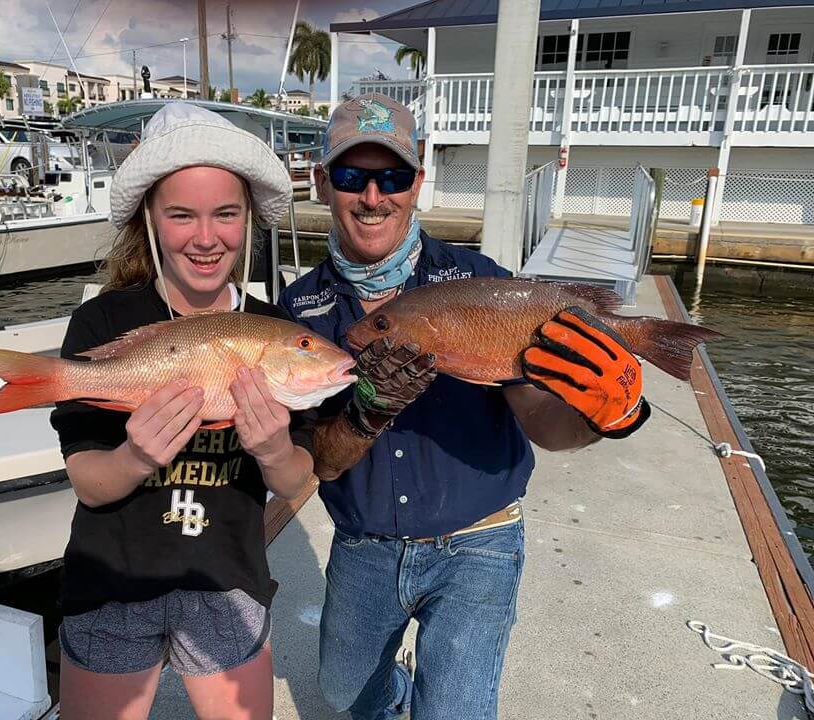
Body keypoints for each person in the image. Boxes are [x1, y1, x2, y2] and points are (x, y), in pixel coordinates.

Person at [279, 93, 650, 720]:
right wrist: (366, 412)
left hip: (480, 541)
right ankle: (392, 686)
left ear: (417, 183)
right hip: (364, 542)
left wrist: (606, 417)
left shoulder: (478, 280)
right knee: (346, 698)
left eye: (393, 176)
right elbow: (325, 464)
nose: (374, 196)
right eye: (352, 176)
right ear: (322, 183)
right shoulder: (301, 311)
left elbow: (544, 424)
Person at [51, 103, 314, 720]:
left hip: (226, 580)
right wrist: (136, 455)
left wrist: (274, 448)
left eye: (226, 213)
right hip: (112, 579)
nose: (205, 237)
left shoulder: (274, 330)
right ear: (150, 220)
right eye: (181, 215)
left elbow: (296, 478)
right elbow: (90, 485)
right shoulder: (103, 322)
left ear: (249, 219)